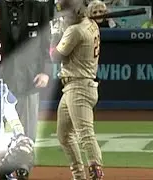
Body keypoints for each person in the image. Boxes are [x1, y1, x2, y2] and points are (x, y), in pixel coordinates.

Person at [49, 0, 104, 180]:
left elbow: (55, 56)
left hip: (79, 87)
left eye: (66, 12)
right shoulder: (91, 24)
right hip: (74, 87)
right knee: (64, 134)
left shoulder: (75, 31)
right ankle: (79, 176)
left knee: (85, 135)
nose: (64, 15)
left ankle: (96, 175)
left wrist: (54, 35)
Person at [0, 0, 52, 142]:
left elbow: (46, 44)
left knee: (27, 133)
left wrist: (45, 71)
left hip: (30, 76)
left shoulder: (39, 8)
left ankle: (23, 163)